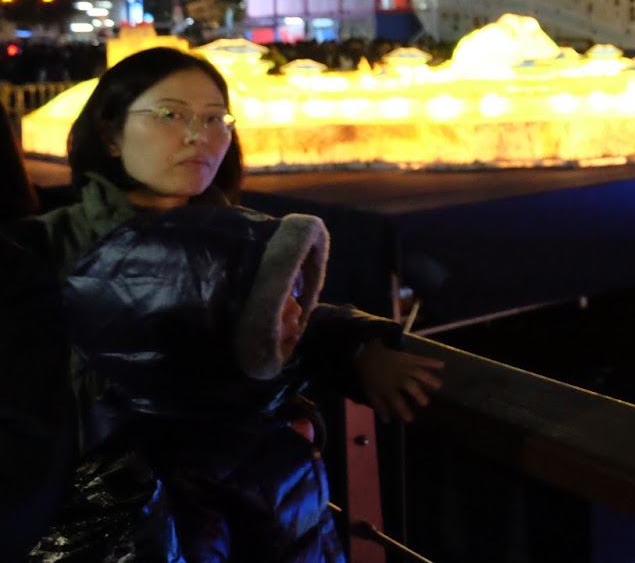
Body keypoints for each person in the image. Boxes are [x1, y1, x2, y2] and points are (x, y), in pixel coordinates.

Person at [3, 47, 444, 545]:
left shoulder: (255, 243)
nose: (199, 135)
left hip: (260, 521)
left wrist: (358, 344)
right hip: (104, 530)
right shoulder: (38, 251)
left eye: (216, 119)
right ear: (109, 133)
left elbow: (277, 322)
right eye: (171, 115)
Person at [32, 204, 345, 560]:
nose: (297, 311)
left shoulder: (253, 418)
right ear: (198, 325)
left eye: (295, 291)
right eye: (272, 302)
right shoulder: (162, 480)